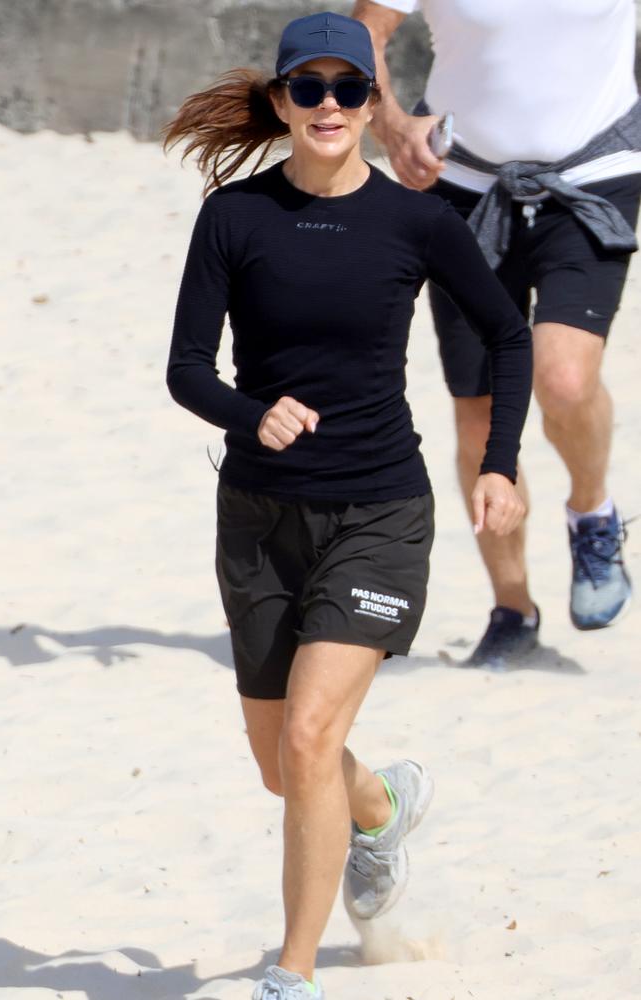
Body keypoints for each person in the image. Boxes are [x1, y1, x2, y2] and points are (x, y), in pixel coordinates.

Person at [164, 12, 532, 997]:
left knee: (308, 736)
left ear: (375, 105)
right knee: (283, 764)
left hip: (378, 509)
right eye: (309, 88)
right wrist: (251, 413)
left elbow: (506, 335)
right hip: (257, 515)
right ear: (281, 101)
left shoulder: (416, 222)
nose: (329, 105)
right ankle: (377, 811)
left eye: (349, 88)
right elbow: (186, 370)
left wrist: (498, 462)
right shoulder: (233, 218)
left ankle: (291, 972)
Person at [353, 0, 641, 667]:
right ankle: (513, 609)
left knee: (564, 376)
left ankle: (591, 513)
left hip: (595, 174)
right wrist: (391, 125)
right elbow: (364, 31)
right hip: (460, 186)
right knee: (481, 417)